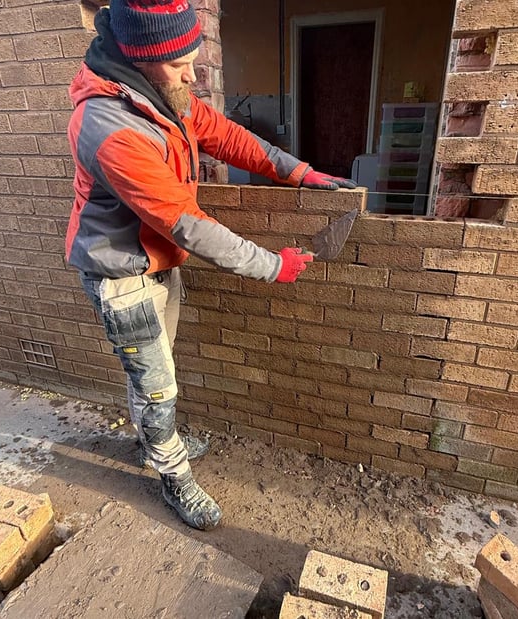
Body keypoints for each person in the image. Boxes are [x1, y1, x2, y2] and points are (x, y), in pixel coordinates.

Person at [65, 0, 356, 531]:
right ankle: (173, 477)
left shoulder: (160, 94)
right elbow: (188, 225)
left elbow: (224, 135)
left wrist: (300, 173)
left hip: (155, 263)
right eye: (181, 66)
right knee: (157, 385)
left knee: (155, 371)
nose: (192, 75)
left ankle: (156, 441)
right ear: (144, 57)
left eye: (193, 61)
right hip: (122, 276)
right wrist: (272, 266)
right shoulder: (110, 127)